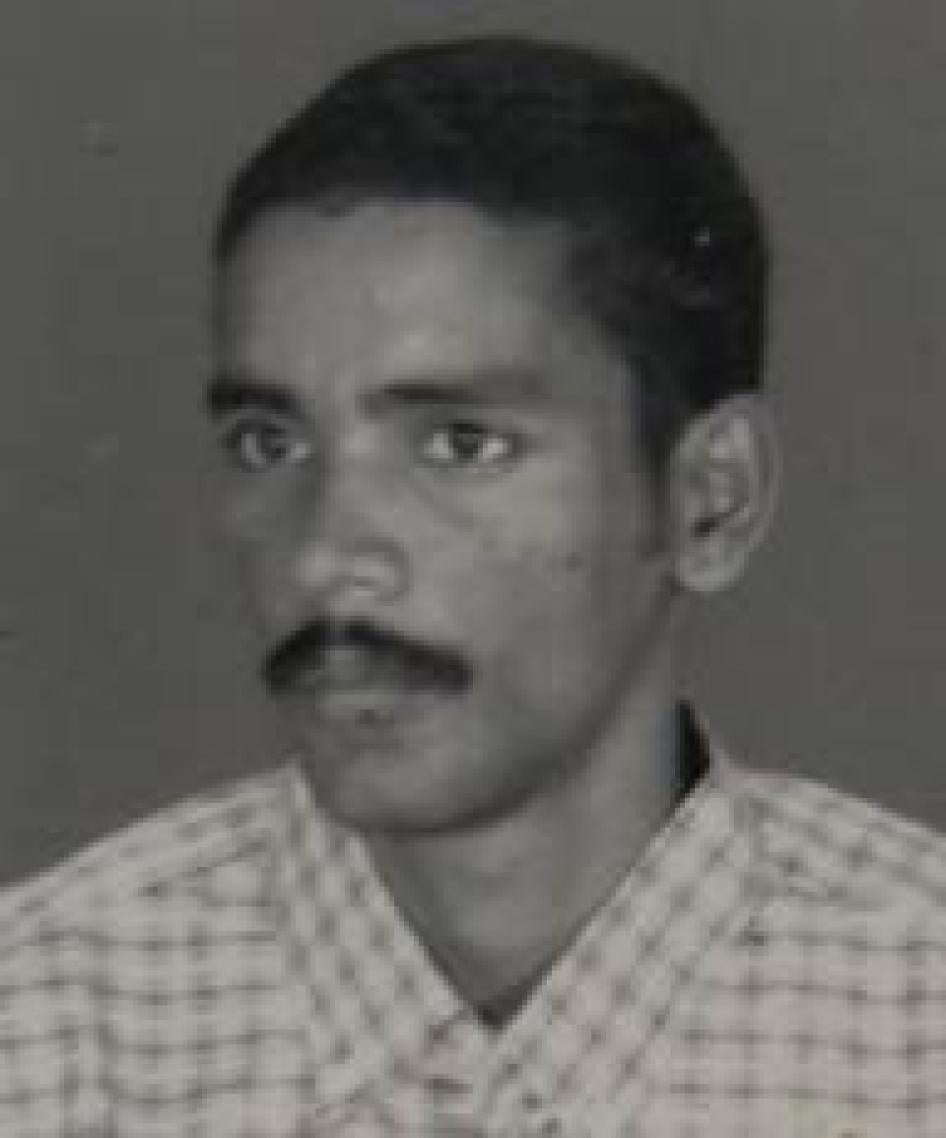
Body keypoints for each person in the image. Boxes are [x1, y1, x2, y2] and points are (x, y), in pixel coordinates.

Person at [1, 35, 944, 1138]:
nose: (324, 556)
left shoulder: (918, 1028)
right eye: (270, 443)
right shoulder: (43, 1033)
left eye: (460, 444)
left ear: (709, 502)